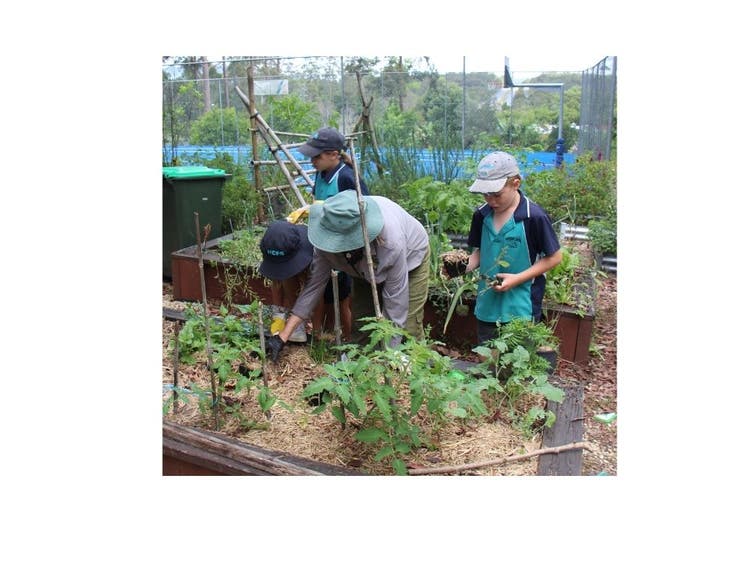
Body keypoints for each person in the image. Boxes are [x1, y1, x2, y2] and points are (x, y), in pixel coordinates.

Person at [266, 189, 431, 361]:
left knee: (407, 332)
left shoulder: (391, 244)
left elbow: (395, 308)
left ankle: (420, 378)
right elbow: (313, 288)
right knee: (362, 328)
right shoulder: (325, 241)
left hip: (411, 261)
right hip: (363, 270)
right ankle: (359, 373)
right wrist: (283, 336)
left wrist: (387, 360)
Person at [454, 151, 562, 346]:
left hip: (522, 305)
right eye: (486, 194)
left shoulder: (533, 217)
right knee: (489, 359)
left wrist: (517, 279)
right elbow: (481, 252)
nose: (491, 200)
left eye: (496, 194)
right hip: (488, 302)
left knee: (517, 363)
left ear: (516, 184)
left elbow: (554, 257)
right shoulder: (481, 215)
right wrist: (461, 267)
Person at [259, 220, 353, 343]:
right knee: (288, 280)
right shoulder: (275, 243)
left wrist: (316, 332)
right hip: (303, 262)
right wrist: (279, 316)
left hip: (334, 266)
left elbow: (314, 293)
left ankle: (348, 341)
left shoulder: (314, 248)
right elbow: (276, 283)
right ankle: (300, 328)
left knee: (338, 308)